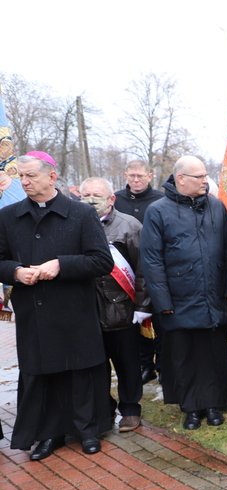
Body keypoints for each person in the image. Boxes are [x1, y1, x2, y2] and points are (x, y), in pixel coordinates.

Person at [0, 152, 114, 459]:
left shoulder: (80, 213)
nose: (23, 182)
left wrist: (61, 265)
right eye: (20, 176)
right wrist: (14, 271)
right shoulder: (8, 216)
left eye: (30, 176)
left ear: (51, 177)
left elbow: (102, 261)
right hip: (34, 313)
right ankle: (49, 435)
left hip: (74, 310)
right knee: (45, 374)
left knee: (80, 374)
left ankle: (87, 431)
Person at [141, 156, 227, 430]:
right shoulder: (158, 211)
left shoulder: (216, 206)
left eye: (205, 175)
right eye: (198, 176)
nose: (204, 180)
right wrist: (162, 300)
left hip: (214, 293)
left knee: (215, 349)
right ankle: (192, 407)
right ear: (180, 179)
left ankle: (215, 402)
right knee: (184, 353)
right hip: (179, 296)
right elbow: (151, 260)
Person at [81, 177, 151, 433]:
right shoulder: (74, 224)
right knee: (95, 367)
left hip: (122, 309)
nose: (90, 199)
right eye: (85, 194)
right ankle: (104, 408)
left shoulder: (129, 226)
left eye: (96, 195)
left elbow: (143, 269)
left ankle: (131, 409)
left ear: (112, 198)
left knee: (128, 364)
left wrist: (142, 305)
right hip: (87, 311)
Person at [115, 159, 166, 384]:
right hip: (125, 270)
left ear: (150, 176)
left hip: (155, 269)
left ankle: (163, 364)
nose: (136, 180)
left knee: (160, 319)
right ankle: (146, 364)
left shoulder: (161, 200)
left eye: (140, 176)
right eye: (132, 176)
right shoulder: (116, 199)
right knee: (136, 321)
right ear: (125, 175)